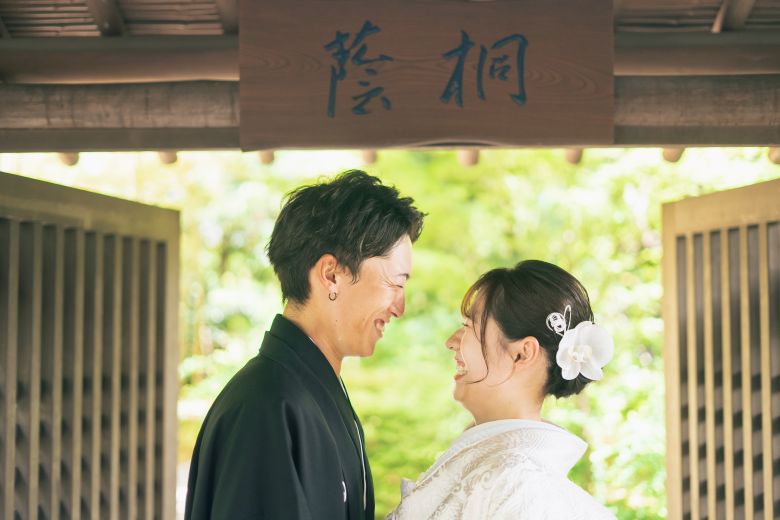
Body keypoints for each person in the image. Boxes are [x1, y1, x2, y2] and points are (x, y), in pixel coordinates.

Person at [185, 170, 425, 520]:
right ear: (331, 275)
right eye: (396, 283)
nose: (400, 308)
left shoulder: (309, 391)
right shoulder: (265, 406)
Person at [388, 260, 616, 519]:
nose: (450, 342)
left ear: (522, 353)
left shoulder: (520, 487)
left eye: (468, 327)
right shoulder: (505, 470)